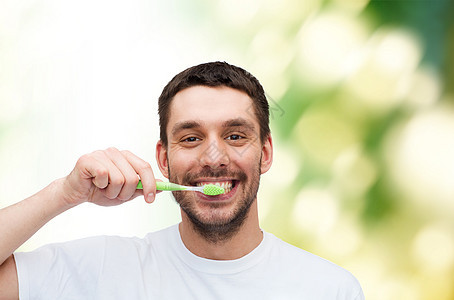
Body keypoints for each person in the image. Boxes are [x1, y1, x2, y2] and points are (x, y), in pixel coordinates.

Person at [0, 62, 364, 299]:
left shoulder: (329, 288)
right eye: (191, 138)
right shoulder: (104, 270)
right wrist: (63, 193)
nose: (214, 158)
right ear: (164, 159)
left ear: (265, 153)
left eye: (235, 136)